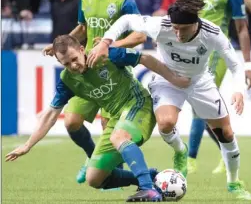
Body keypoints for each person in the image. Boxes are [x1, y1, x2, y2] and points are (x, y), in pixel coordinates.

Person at [88, 0, 251, 200]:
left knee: (226, 134)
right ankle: (181, 151)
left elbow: (235, 65)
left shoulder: (212, 33)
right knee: (166, 123)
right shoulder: (161, 25)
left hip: (199, 82)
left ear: (195, 24)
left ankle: (234, 182)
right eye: (174, 28)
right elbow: (126, 20)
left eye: (182, 29)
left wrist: (238, 89)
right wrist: (106, 42)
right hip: (167, 78)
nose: (177, 33)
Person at [6, 35, 191, 202]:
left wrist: (174, 79)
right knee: (94, 178)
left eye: (74, 59)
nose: (73, 66)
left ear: (81, 50)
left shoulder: (106, 55)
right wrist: (28, 145)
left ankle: (147, 189)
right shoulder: (67, 80)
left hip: (138, 104)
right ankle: (151, 178)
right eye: (66, 64)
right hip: (117, 120)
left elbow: (145, 58)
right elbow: (51, 114)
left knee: (118, 137)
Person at [42, 0, 146, 184]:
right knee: (71, 121)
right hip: (85, 70)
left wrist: (110, 45)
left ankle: (121, 178)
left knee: (110, 132)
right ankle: (92, 159)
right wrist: (60, 45)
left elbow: (140, 36)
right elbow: (83, 28)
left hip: (112, 71)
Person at [188, 0, 251, 175]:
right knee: (208, 112)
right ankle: (228, 153)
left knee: (200, 102)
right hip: (193, 51)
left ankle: (189, 159)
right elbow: (189, 16)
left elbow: (242, 29)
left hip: (217, 53)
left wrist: (247, 65)